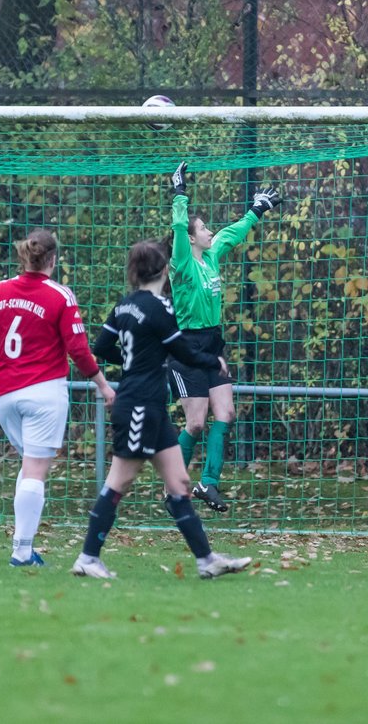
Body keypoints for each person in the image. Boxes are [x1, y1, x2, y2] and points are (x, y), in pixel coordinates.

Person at [71, 240, 251, 581]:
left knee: (179, 483)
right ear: (164, 269)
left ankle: (206, 560)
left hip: (149, 404)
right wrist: (214, 360)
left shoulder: (124, 306)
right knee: (119, 481)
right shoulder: (159, 307)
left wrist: (135, 359)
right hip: (139, 404)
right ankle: (88, 557)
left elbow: (101, 348)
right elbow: (182, 350)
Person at [0, 229, 116, 567]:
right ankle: (21, 551)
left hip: (4, 393)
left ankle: (24, 547)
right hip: (43, 392)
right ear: (53, 259)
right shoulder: (60, 295)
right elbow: (78, 349)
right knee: (35, 469)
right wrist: (103, 385)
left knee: (29, 464)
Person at [166, 161, 284, 511]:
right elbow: (177, 225)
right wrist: (179, 193)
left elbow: (231, 233)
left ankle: (208, 483)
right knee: (196, 422)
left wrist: (255, 210)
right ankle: (175, 488)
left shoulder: (212, 255)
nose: (209, 231)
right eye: (203, 228)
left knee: (227, 414)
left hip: (213, 344)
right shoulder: (183, 262)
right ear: (190, 238)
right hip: (186, 347)